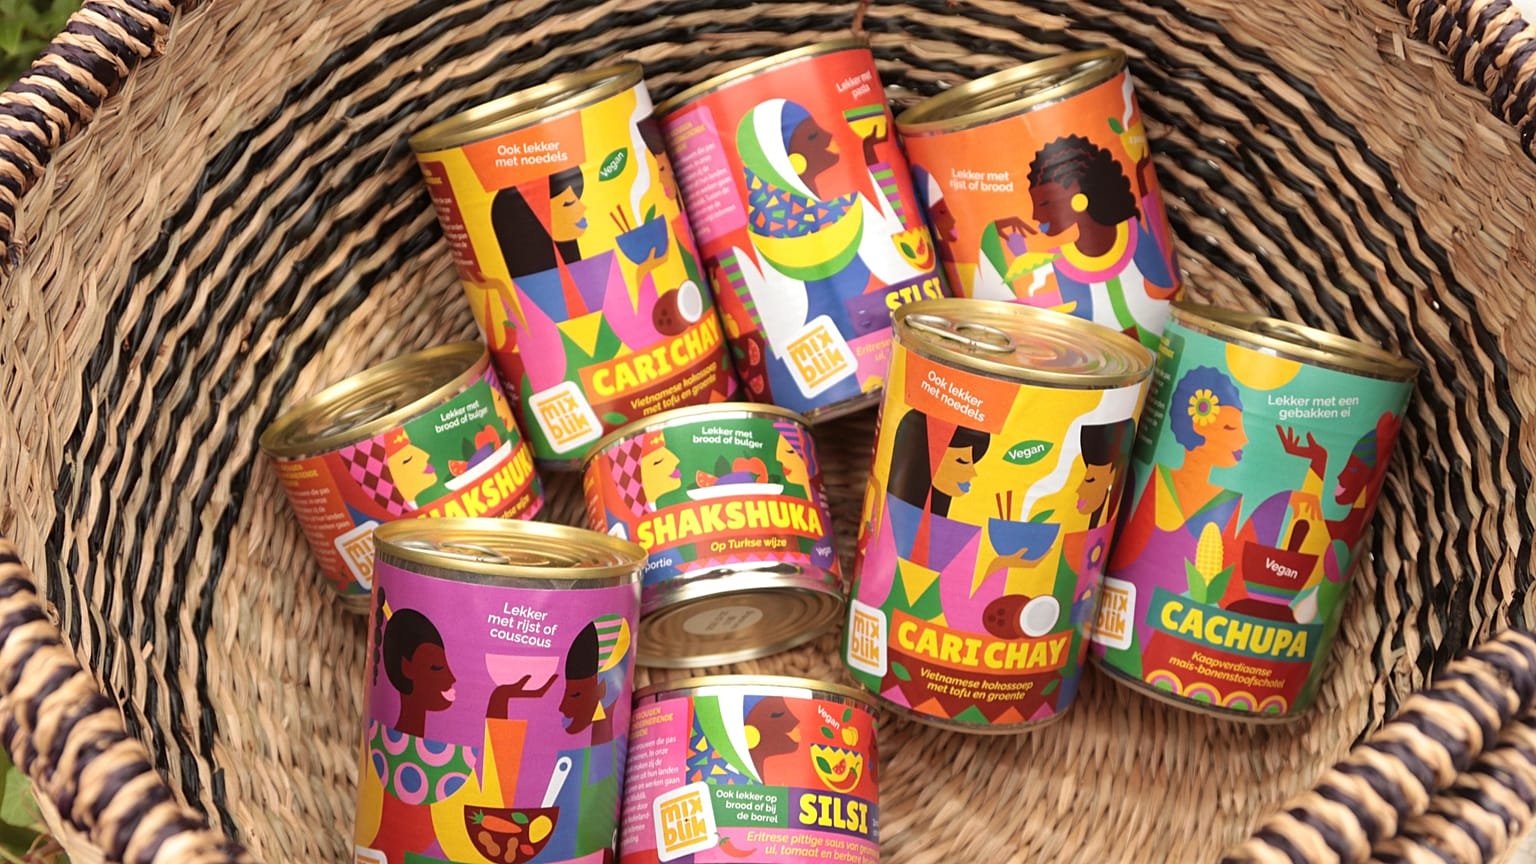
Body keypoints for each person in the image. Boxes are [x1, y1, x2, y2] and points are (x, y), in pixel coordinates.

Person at [1021, 134, 1178, 348]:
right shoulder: (1059, 262)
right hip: (1099, 356)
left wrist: (1142, 182)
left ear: (1077, 196)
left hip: (1159, 344)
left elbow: (1166, 285)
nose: (1035, 216)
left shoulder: (1132, 232)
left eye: (1045, 204)